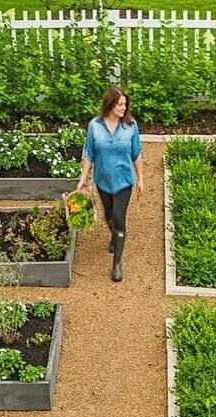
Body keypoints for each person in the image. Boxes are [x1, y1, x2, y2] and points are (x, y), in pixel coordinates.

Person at [77, 86, 144, 282]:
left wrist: (141, 179)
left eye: (125, 104)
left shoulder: (130, 126)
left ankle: (117, 263)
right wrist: (83, 180)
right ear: (110, 104)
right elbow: (89, 153)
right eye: (120, 104)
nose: (124, 108)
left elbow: (136, 153)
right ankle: (114, 235)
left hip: (124, 182)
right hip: (103, 181)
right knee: (108, 216)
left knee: (118, 217)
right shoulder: (94, 126)